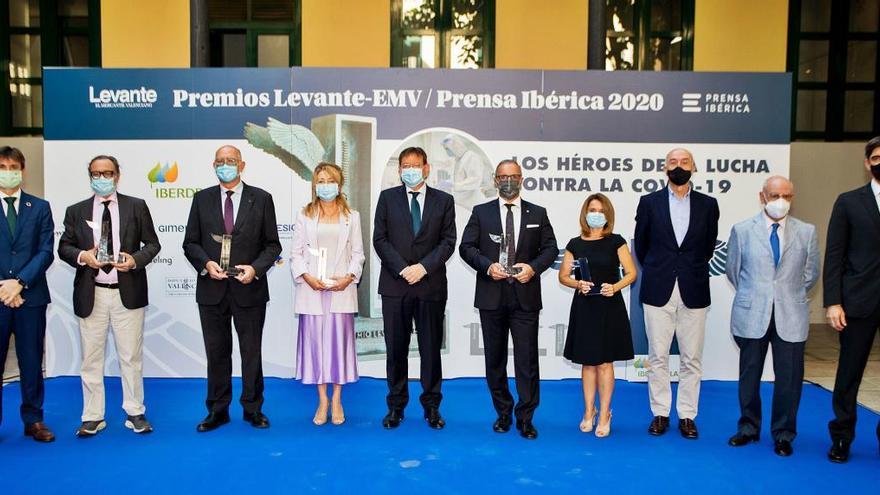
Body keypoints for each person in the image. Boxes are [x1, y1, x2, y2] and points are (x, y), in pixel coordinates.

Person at [58, 155, 162, 437]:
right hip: (92, 293)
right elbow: (64, 247)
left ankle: (135, 411)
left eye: (107, 173)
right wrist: (83, 256)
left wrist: (135, 260)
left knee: (131, 356)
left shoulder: (136, 206)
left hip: (126, 293)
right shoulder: (76, 210)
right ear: (89, 176)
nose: (101, 178)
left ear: (118, 175)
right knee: (91, 359)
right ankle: (92, 415)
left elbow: (153, 244)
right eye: (96, 173)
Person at [183, 145, 282, 432]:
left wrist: (255, 269)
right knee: (216, 352)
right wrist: (206, 264)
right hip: (211, 289)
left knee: (251, 351)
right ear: (214, 165)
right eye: (220, 161)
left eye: (231, 161)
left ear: (242, 165)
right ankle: (217, 410)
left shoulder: (261, 199)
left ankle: (253, 408)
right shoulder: (201, 199)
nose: (225, 165)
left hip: (248, 288)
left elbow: (273, 244)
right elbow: (190, 242)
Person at [459, 159, 558, 440]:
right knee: (495, 360)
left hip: (525, 297)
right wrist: (487, 266)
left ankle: (526, 418)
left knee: (527, 362)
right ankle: (503, 413)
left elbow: (550, 248)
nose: (508, 181)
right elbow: (466, 247)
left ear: (522, 178)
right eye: (503, 177)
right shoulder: (481, 212)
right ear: (495, 180)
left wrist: (533, 268)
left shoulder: (538, 212)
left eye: (513, 176)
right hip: (492, 297)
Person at [725, 176, 819, 457]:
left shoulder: (807, 231)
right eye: (776, 195)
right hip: (752, 313)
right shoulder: (742, 230)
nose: (782, 201)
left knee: (789, 379)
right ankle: (748, 428)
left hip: (791, 314)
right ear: (762, 196)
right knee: (749, 375)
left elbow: (811, 274)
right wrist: (758, 294)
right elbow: (734, 271)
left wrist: (786, 294)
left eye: (788, 196)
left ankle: (783, 433)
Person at [634, 147, 719, 439]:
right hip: (658, 289)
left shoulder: (709, 205)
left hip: (693, 289)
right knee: (657, 356)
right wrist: (661, 269)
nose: (678, 166)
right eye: (673, 162)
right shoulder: (649, 202)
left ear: (693, 166)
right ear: (664, 168)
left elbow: (707, 247)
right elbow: (642, 247)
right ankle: (660, 413)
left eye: (684, 162)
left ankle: (687, 415)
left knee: (691, 358)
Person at [373, 146, 456, 430]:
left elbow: (448, 241)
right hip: (395, 286)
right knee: (396, 349)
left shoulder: (444, 201)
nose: (410, 169)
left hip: (430, 285)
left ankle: (432, 407)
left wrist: (422, 267)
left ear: (426, 168)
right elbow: (380, 239)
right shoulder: (387, 198)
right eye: (404, 165)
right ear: (399, 170)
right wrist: (403, 268)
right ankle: (396, 407)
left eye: (415, 164)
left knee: (431, 350)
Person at [290, 163, 365, 426]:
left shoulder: (351, 216)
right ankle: (322, 399)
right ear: (314, 185)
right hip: (312, 290)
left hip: (340, 290)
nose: (325, 185)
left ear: (339, 184)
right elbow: (296, 254)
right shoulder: (305, 215)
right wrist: (307, 278)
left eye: (329, 180)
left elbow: (358, 254)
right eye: (320, 181)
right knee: (315, 348)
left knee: (338, 348)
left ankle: (337, 399)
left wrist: (348, 278)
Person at [559, 193, 636, 438]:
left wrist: (615, 287)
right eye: (592, 209)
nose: (596, 214)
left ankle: (604, 414)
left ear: (608, 215)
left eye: (601, 210)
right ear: (585, 213)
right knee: (587, 362)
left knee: (605, 362)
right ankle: (588, 411)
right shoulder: (574, 243)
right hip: (585, 308)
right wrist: (576, 284)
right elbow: (563, 276)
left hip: (609, 307)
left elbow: (631, 273)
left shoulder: (617, 241)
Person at [824, 135, 880, 463]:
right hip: (858, 301)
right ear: (867, 162)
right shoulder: (848, 202)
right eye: (876, 157)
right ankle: (842, 436)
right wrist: (833, 301)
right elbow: (835, 255)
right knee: (849, 373)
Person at [0, 146, 55, 442]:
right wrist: (4, 287)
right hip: (0, 296)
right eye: (3, 167)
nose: (8, 173)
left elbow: (46, 251)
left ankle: (34, 419)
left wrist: (19, 283)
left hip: (30, 297)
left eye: (13, 167)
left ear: (23, 171)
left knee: (31, 360)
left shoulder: (40, 207)